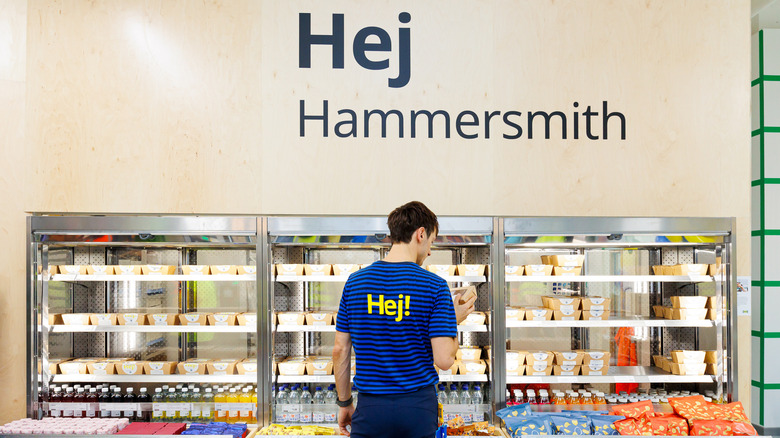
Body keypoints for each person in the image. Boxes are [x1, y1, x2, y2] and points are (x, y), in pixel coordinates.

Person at [332, 201, 477, 437]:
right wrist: (452, 319)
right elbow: (444, 360)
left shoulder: (355, 283)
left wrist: (344, 402)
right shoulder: (435, 286)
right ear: (421, 234)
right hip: (417, 408)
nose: (430, 251)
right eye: (431, 242)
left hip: (370, 408)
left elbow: (340, 350)